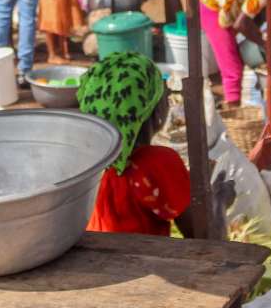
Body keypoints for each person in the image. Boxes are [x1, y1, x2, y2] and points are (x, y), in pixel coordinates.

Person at [76, 52, 191, 236]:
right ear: (153, 111)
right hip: (147, 263)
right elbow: (195, 231)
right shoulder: (158, 163)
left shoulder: (79, 162)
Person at [198, 0, 271, 108]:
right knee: (232, 69)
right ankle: (234, 112)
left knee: (233, 59)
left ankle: (232, 101)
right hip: (212, 10)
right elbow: (241, 24)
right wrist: (265, 45)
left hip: (212, 2)